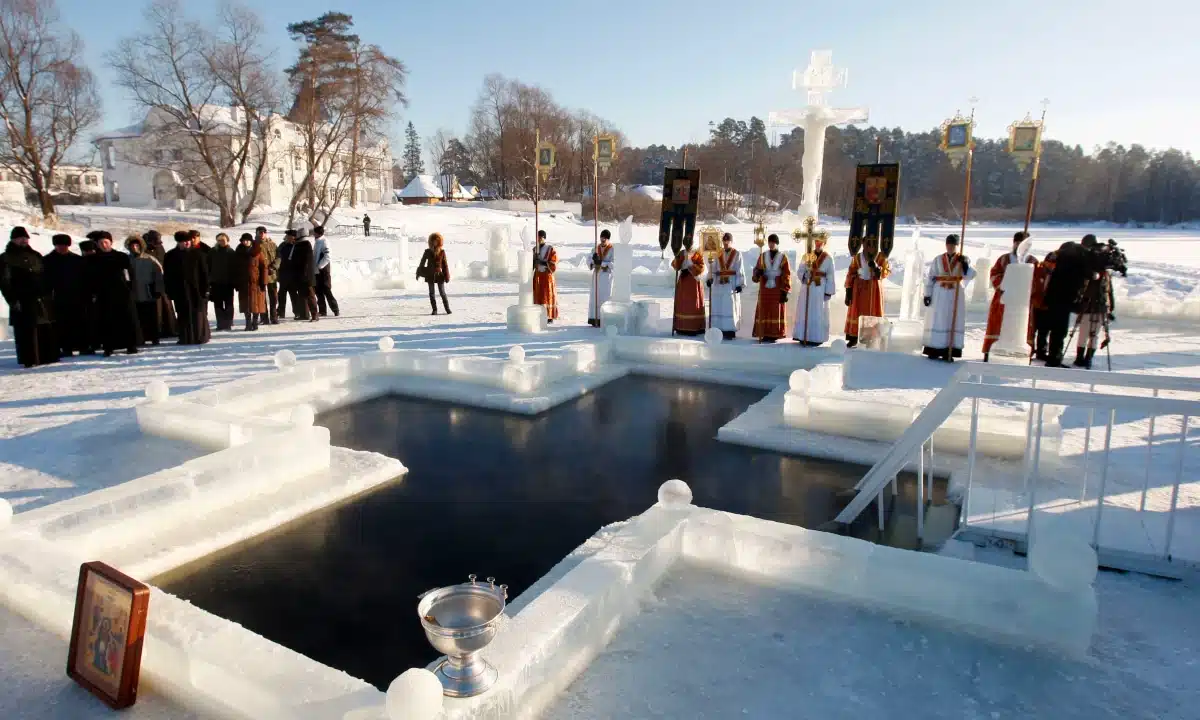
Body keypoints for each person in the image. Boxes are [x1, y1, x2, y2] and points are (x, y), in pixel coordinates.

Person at [0, 226, 58, 368]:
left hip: (40, 297)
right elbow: (4, 281)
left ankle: (47, 357)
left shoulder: (35, 255)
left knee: (44, 327)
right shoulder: (6, 258)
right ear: (13, 239)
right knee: (25, 330)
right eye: (20, 238)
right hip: (21, 299)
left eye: (26, 238)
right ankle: (29, 359)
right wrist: (12, 300)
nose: (24, 240)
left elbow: (45, 275)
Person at [981, 231, 1038, 361]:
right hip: (1004, 297)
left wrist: (1027, 287)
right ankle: (991, 350)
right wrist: (1006, 284)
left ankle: (1020, 352)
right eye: (1017, 243)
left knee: (1021, 324)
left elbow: (1036, 280)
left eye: (1022, 244)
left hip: (1022, 300)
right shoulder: (1004, 259)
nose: (1019, 246)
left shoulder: (1032, 261)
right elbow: (994, 274)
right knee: (998, 322)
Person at [85, 230, 141, 356]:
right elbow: (89, 279)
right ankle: (108, 347)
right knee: (106, 321)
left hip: (122, 293)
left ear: (111, 242)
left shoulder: (121, 257)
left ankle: (130, 345)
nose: (104, 245)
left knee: (126, 319)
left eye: (106, 242)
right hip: (103, 295)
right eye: (101, 243)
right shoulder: (92, 260)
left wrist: (130, 289)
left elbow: (129, 275)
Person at [921, 234, 975, 361]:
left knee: (952, 319)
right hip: (940, 291)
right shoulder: (938, 259)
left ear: (957, 246)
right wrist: (927, 294)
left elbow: (971, 275)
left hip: (955, 291)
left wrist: (966, 265)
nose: (951, 247)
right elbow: (931, 276)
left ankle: (950, 349)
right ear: (946, 245)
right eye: (949, 245)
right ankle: (934, 348)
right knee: (938, 319)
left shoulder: (962, 259)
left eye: (953, 245)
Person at [1042, 237, 1091, 367]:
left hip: (1053, 298)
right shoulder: (1079, 259)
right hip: (1064, 299)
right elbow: (1088, 275)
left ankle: (1052, 356)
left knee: (1054, 329)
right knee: (1059, 330)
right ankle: (1054, 359)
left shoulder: (1060, 259)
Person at [42, 234, 88, 357]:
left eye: (65, 245)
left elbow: (85, 279)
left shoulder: (77, 260)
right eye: (59, 245)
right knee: (62, 323)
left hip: (77, 296)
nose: (62, 248)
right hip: (57, 297)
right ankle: (66, 347)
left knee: (80, 322)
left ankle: (83, 346)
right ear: (55, 245)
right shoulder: (47, 261)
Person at [1073, 236, 1115, 369]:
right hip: (1100, 305)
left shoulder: (1090, 270)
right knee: (1094, 335)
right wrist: (1110, 308)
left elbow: (1083, 286)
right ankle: (1088, 358)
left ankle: (1081, 358)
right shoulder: (1105, 273)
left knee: (1084, 333)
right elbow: (1110, 292)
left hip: (1090, 304)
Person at [163, 231, 210, 345]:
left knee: (198, 313)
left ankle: (200, 337)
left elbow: (205, 273)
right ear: (179, 243)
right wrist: (169, 291)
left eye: (189, 241)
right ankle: (185, 337)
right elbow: (167, 276)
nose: (188, 243)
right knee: (183, 314)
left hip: (196, 290)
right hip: (180, 290)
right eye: (184, 242)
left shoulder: (198, 254)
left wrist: (206, 289)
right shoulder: (170, 255)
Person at [844, 236, 890, 347]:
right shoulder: (857, 257)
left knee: (873, 310)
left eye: (873, 243)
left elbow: (886, 270)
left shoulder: (880, 257)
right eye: (867, 243)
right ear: (863, 244)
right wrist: (848, 290)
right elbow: (850, 273)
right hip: (858, 289)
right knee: (857, 311)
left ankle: (872, 336)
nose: (870, 245)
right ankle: (854, 336)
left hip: (873, 288)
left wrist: (878, 270)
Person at [793, 233, 835, 346]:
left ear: (824, 243)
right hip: (807, 285)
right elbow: (800, 270)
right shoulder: (807, 255)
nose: (818, 244)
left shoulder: (828, 258)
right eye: (816, 241)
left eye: (820, 242)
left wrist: (828, 291)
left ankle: (816, 337)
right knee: (805, 310)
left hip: (819, 287)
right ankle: (803, 335)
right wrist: (804, 274)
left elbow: (831, 275)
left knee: (817, 311)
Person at [125, 235, 164, 346]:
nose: (134, 247)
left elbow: (159, 275)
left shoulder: (149, 259)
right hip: (134, 294)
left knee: (151, 317)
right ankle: (140, 338)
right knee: (137, 318)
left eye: (137, 245)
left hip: (148, 293)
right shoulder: (127, 260)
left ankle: (154, 338)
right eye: (132, 245)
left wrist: (157, 289)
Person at [752, 234, 791, 343]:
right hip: (765, 286)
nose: (771, 244)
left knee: (775, 309)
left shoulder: (783, 257)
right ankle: (763, 332)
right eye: (770, 242)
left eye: (773, 242)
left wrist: (785, 290)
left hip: (777, 286)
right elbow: (756, 270)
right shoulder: (763, 256)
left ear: (777, 243)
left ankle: (775, 333)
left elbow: (786, 274)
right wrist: (758, 273)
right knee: (764, 308)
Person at [706, 233, 744, 340]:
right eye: (724, 241)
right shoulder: (717, 254)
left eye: (728, 241)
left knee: (729, 306)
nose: (726, 243)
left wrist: (739, 284)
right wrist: (710, 279)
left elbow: (739, 269)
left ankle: (730, 330)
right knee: (718, 306)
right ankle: (718, 329)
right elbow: (712, 269)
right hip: (719, 283)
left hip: (730, 284)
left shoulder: (737, 254)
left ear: (731, 242)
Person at [142, 230, 177, 340]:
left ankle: (170, 329)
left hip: (162, 280)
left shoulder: (160, 249)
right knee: (154, 307)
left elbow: (164, 261)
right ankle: (155, 331)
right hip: (150, 282)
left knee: (166, 306)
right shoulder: (144, 250)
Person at [671, 242, 707, 336]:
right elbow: (675, 266)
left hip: (694, 282)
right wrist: (676, 259)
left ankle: (694, 327)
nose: (688, 246)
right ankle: (681, 327)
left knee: (694, 303)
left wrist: (691, 268)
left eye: (690, 243)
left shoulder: (697, 253)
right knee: (683, 304)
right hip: (683, 281)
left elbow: (702, 267)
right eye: (686, 244)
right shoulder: (681, 253)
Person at [235, 233, 268, 331]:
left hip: (256, 283)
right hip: (243, 283)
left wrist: (263, 282)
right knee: (246, 304)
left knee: (256, 304)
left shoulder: (257, 252)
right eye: (243, 240)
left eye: (247, 240)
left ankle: (255, 322)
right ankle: (248, 323)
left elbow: (264, 267)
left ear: (251, 241)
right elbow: (235, 269)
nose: (245, 242)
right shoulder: (238, 252)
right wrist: (236, 282)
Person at [1031, 249, 1058, 361]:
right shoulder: (1037, 270)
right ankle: (1030, 349)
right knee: (1032, 330)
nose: (1051, 266)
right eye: (1049, 263)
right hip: (1035, 305)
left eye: (1053, 264)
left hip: (1047, 306)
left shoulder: (1057, 274)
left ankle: (1041, 351)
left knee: (1044, 330)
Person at [416, 232, 451, 315]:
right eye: (433, 240)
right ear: (431, 241)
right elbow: (422, 263)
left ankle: (447, 309)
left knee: (442, 293)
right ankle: (434, 310)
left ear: (439, 241)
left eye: (436, 240)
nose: (435, 242)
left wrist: (447, 276)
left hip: (439, 275)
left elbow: (445, 265)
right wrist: (418, 272)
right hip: (430, 275)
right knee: (432, 293)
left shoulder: (442, 252)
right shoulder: (427, 251)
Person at [208, 232, 237, 331]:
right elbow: (208, 266)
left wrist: (234, 281)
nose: (221, 242)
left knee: (229, 304)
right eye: (219, 240)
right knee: (218, 304)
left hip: (228, 283)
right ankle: (220, 323)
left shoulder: (231, 252)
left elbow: (235, 268)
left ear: (227, 240)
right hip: (216, 282)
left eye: (223, 240)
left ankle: (228, 322)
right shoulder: (213, 252)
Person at [289, 226, 319, 322]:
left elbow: (306, 262)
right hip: (299, 275)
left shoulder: (306, 245)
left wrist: (304, 275)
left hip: (306, 276)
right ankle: (304, 314)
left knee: (310, 295)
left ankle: (315, 315)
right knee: (302, 296)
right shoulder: (298, 245)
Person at [587, 229, 615, 327]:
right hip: (596, 275)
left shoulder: (612, 249)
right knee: (595, 297)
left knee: (604, 297)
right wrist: (593, 261)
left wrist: (602, 263)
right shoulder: (595, 248)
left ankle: (604, 318)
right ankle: (595, 318)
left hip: (606, 277)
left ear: (608, 239)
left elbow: (613, 264)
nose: (602, 240)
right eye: (601, 238)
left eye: (604, 239)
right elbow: (589, 259)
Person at [312, 225, 339, 317]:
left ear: (318, 233)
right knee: (318, 292)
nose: (313, 234)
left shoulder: (324, 242)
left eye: (314, 232)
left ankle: (335, 309)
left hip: (323, 271)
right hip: (317, 272)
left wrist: (320, 266)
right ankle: (322, 311)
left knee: (327, 291)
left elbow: (328, 256)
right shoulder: (317, 242)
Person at [255, 226, 280, 325]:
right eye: (260, 232)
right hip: (259, 275)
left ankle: (274, 316)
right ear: (256, 233)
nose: (262, 234)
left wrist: (274, 267)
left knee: (273, 296)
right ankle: (264, 317)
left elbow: (279, 257)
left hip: (271, 274)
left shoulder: (272, 244)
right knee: (261, 297)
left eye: (263, 232)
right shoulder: (254, 245)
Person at [533, 229, 558, 323]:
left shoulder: (550, 249)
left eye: (540, 237)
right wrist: (533, 261)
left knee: (547, 295)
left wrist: (543, 262)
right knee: (538, 295)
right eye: (537, 237)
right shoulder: (535, 249)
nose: (539, 239)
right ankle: (538, 314)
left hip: (547, 276)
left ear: (544, 238)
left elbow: (554, 263)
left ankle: (549, 315)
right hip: (538, 275)